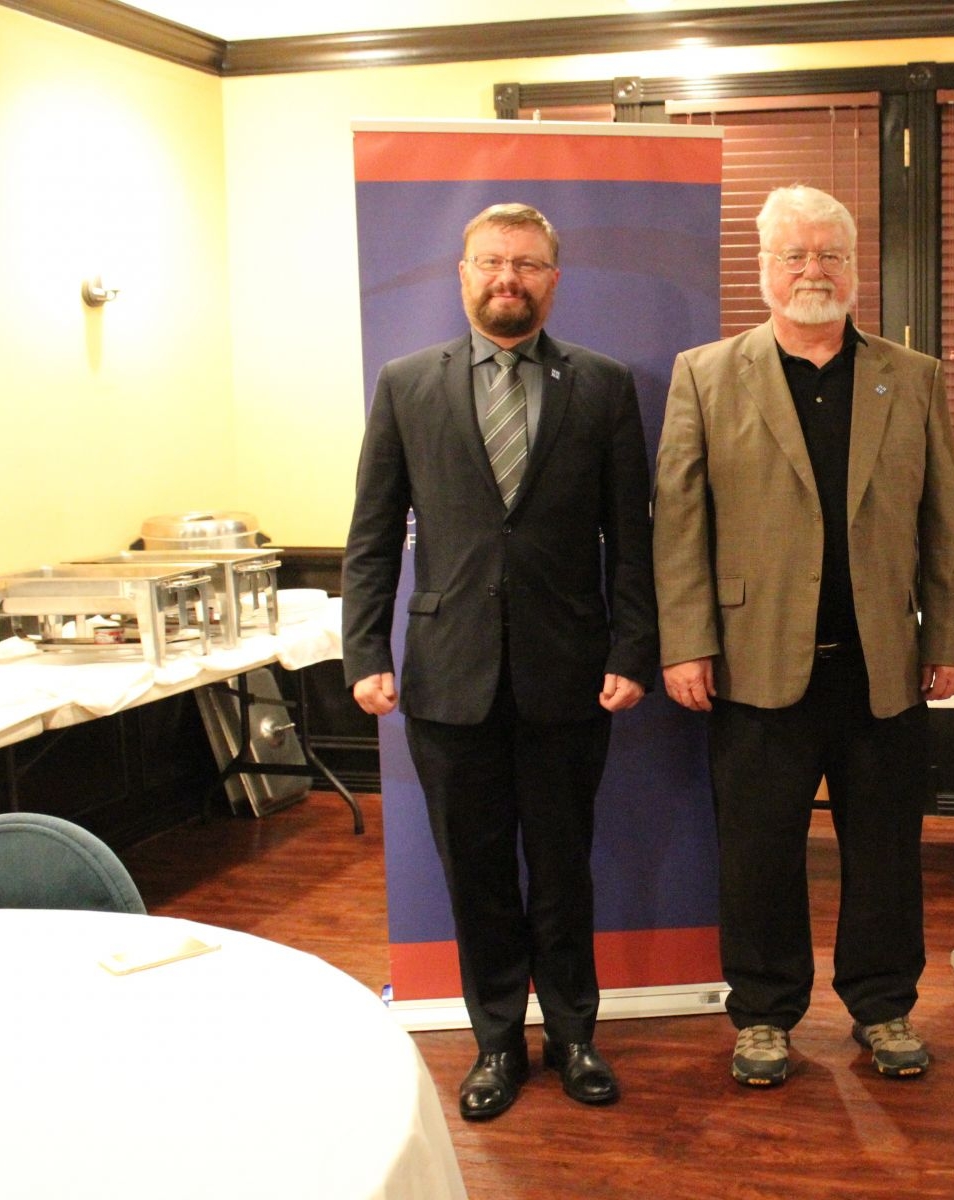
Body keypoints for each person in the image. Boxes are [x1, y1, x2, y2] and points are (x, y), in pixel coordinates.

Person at [653, 185, 954, 1087]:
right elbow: (678, 520)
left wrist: (949, 637)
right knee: (758, 855)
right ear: (764, 268)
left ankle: (884, 1007)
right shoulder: (705, 374)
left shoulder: (911, 376)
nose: (813, 270)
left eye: (830, 253)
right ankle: (763, 1015)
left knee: (886, 853)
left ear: (854, 265)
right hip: (753, 663)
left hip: (882, 665)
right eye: (794, 254)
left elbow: (946, 521)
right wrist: (685, 640)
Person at [343, 203, 657, 1116]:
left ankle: (573, 1036)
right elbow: (372, 535)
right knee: (476, 876)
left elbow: (631, 540)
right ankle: (496, 1045)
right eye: (491, 261)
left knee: (563, 872)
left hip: (572, 673)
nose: (507, 278)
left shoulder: (602, 386)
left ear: (553, 280)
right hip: (449, 679)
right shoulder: (407, 385)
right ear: (464, 274)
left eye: (526, 264)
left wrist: (633, 647)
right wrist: (365, 648)